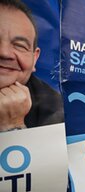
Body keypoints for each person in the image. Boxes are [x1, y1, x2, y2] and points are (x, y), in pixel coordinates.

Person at [0, 0, 63, 132]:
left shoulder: (53, 107)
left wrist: (12, 126)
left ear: (34, 59)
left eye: (20, 46)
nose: (4, 52)